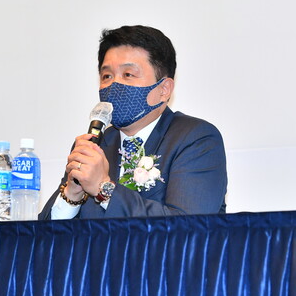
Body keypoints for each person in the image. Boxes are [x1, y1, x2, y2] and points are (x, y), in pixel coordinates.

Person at [39, 25, 227, 220]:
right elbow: (42, 235)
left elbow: (187, 226)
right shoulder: (94, 146)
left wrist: (103, 188)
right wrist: (72, 194)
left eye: (128, 74)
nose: (114, 85)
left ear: (164, 89)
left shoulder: (196, 139)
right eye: (107, 76)